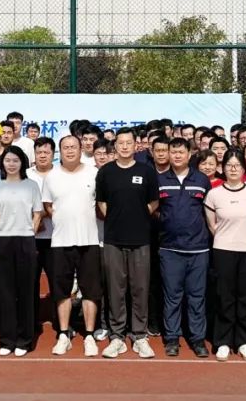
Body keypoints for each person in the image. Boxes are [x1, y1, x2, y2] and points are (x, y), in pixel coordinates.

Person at [95, 127, 160, 359]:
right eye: (120, 143)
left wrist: (137, 217)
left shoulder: (146, 171)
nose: (124, 146)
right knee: (116, 289)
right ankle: (117, 336)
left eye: (128, 142)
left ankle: (140, 336)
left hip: (141, 239)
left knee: (140, 288)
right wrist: (117, 219)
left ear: (135, 145)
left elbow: (153, 202)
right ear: (115, 146)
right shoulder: (106, 172)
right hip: (113, 239)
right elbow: (102, 203)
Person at [44, 135, 102, 357]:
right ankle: (63, 334)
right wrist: (62, 218)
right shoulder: (52, 176)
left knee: (90, 290)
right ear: (60, 151)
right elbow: (48, 205)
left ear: (81, 149)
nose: (70, 151)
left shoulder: (93, 173)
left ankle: (89, 335)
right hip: (61, 241)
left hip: (89, 240)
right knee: (62, 291)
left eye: (73, 147)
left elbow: (100, 203)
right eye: (65, 147)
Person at [156, 138, 212, 358]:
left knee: (197, 297)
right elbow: (154, 209)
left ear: (190, 155)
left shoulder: (202, 180)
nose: (177, 156)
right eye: (173, 152)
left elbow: (209, 211)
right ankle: (172, 337)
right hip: (169, 249)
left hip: (198, 249)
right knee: (172, 296)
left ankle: (197, 338)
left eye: (181, 152)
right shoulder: (160, 180)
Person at [205, 151, 246, 362]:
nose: (233, 169)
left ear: (243, 169)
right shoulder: (214, 195)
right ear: (223, 168)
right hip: (223, 250)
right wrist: (226, 238)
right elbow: (212, 225)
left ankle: (245, 341)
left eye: (237, 165)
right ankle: (222, 341)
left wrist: (242, 236)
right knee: (224, 297)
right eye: (229, 165)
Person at [0, 146, 42, 357]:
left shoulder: (31, 186)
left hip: (25, 240)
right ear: (3, 163)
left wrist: (30, 231)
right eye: (7, 160)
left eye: (15, 160)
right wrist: (1, 226)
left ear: (22, 163)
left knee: (26, 290)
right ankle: (7, 339)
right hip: (3, 240)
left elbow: (37, 213)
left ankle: (24, 340)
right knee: (5, 291)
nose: (11, 164)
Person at [27, 137, 57, 332]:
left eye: (46, 152)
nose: (43, 156)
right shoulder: (26, 175)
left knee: (57, 282)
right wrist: (35, 222)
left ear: (53, 154)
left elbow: (60, 204)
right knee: (30, 282)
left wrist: (40, 216)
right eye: (39, 152)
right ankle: (31, 322)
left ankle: (60, 323)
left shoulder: (60, 174)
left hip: (56, 238)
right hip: (31, 239)